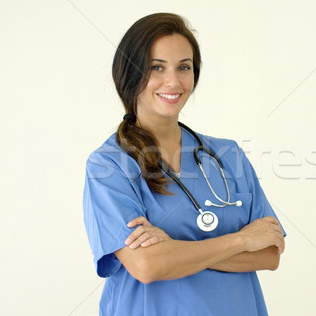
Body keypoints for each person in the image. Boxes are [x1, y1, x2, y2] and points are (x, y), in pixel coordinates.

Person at [83, 12, 286, 316]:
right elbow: (147, 265)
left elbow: (270, 253)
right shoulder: (109, 165)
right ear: (130, 74)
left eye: (184, 67)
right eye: (156, 67)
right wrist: (242, 239)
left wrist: (174, 250)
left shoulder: (227, 156)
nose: (173, 81)